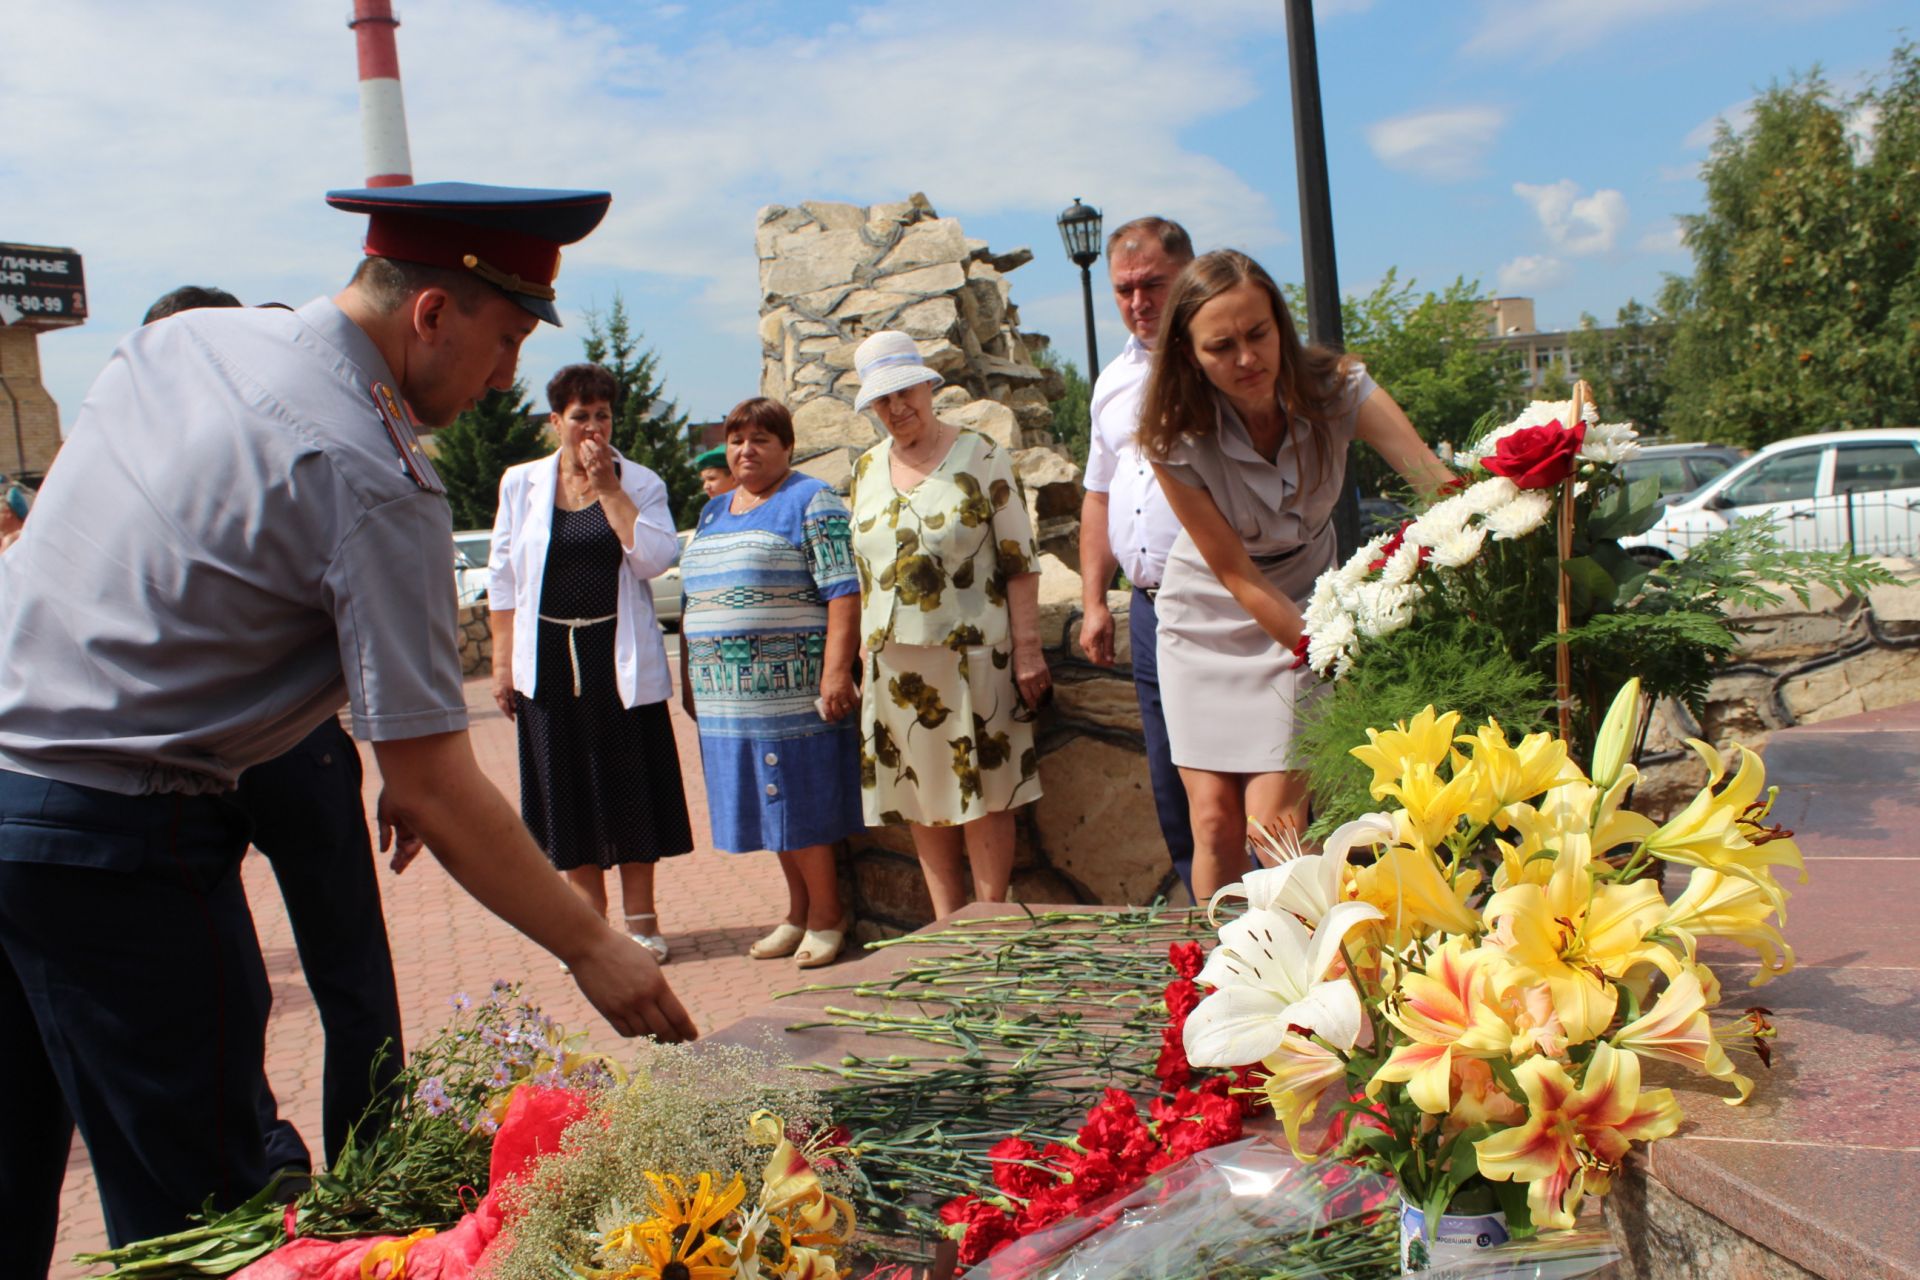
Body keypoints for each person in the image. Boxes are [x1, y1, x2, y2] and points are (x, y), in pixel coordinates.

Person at [0, 181, 695, 1277]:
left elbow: (174, 589)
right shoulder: (372, 468)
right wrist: (592, 942)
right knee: (209, 1218)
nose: (508, 376)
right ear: (430, 315)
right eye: (505, 338)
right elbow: (433, 787)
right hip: (121, 848)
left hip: (16, 800)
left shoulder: (194, 344)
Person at [141, 284, 407, 1176]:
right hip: (182, 762)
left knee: (351, 972)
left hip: (296, 745)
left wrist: (399, 766)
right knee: (225, 986)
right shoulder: (130, 459)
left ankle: (375, 1166)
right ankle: (264, 1154)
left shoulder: (301, 440)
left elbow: (354, 610)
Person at [1138, 250, 1453, 902]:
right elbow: (1236, 575)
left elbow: (1430, 478)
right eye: (1221, 346)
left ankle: (1314, 980)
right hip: (1211, 615)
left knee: (1276, 828)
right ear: (1189, 354)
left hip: (1311, 597)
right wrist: (1332, 654)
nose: (1246, 359)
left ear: (1281, 324)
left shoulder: (1341, 389)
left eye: (1258, 334)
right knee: (1215, 824)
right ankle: (1218, 985)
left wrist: (1501, 512)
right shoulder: (1171, 434)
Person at [488, 363, 694, 963]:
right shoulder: (520, 482)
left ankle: (643, 923)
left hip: (615, 656)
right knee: (565, 787)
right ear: (555, 421)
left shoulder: (640, 481)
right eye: (580, 416)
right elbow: (502, 580)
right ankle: (589, 927)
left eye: (603, 415)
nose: (593, 428)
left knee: (629, 783)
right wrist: (503, 664)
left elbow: (655, 560)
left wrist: (609, 490)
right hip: (548, 657)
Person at [847, 332, 1049, 917]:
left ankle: (989, 923)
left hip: (974, 659)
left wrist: (1031, 650)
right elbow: (866, 573)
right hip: (894, 666)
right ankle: (947, 929)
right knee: (919, 795)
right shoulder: (864, 469)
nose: (897, 408)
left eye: (905, 391)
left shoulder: (982, 455)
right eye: (882, 401)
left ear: (928, 385)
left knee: (988, 797)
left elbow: (1021, 562)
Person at [680, 398, 862, 967]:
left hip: (792, 692)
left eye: (761, 439)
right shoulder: (714, 511)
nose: (746, 450)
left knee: (799, 805)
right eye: (736, 440)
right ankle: (798, 912)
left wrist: (836, 671)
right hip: (728, 698)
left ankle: (829, 914)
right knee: (767, 809)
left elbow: (842, 590)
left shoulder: (811, 500)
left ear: (787, 446)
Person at [1077, 216, 1197, 895]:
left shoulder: (1223, 356)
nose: (1137, 302)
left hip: (1227, 600)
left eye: (1152, 284)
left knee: (1247, 777)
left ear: (1187, 272)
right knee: (1169, 776)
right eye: (1124, 290)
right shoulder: (1114, 380)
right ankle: (1205, 924)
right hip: (1149, 608)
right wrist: (1096, 601)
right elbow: (1098, 494)